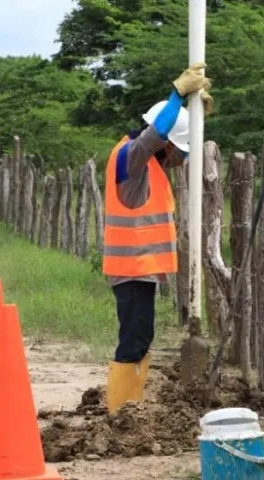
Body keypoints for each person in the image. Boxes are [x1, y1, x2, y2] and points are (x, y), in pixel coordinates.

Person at [102, 62, 213, 414]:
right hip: (131, 269)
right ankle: (120, 412)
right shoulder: (131, 158)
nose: (181, 161)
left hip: (140, 269)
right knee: (133, 341)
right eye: (182, 152)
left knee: (141, 338)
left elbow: (159, 135)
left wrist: (191, 111)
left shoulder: (146, 167)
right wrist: (177, 95)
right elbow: (154, 135)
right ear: (165, 144)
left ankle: (129, 407)